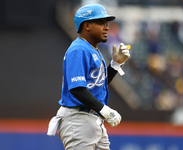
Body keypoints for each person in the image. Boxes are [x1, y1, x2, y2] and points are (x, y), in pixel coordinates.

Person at [47, 4, 130, 150]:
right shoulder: (78, 48)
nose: (106, 27)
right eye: (101, 23)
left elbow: (98, 84)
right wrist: (103, 109)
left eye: (106, 23)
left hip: (92, 119)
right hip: (78, 119)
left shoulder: (92, 49)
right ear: (87, 25)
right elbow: (77, 89)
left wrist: (115, 65)